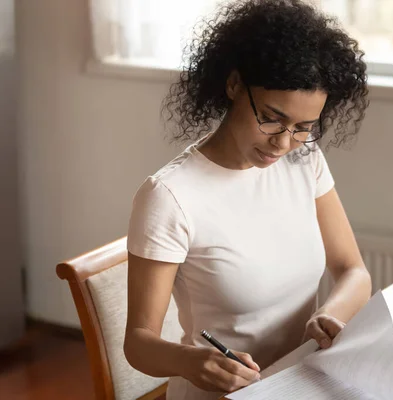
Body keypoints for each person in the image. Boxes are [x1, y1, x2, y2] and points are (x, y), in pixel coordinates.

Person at [123, 0, 371, 399]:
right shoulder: (170, 196)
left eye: (304, 127)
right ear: (235, 84)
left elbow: (353, 271)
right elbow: (138, 343)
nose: (284, 142)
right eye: (271, 117)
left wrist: (329, 314)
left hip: (299, 383)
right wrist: (193, 362)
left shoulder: (304, 161)